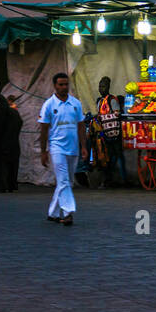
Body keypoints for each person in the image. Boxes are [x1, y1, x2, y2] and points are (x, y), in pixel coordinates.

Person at [39, 72, 87, 226]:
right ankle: (68, 213)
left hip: (73, 148)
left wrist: (84, 147)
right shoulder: (48, 105)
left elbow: (81, 126)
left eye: (66, 84)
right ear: (55, 86)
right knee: (64, 180)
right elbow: (44, 130)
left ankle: (52, 213)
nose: (64, 87)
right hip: (56, 148)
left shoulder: (76, 104)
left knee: (67, 182)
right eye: (61, 84)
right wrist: (43, 151)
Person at [95, 77, 126, 188]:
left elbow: (117, 114)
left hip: (114, 133)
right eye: (100, 86)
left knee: (117, 155)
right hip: (104, 133)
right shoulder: (99, 101)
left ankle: (123, 179)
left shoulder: (112, 100)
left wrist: (103, 117)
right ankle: (110, 179)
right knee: (107, 156)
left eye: (103, 86)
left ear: (108, 87)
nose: (101, 88)